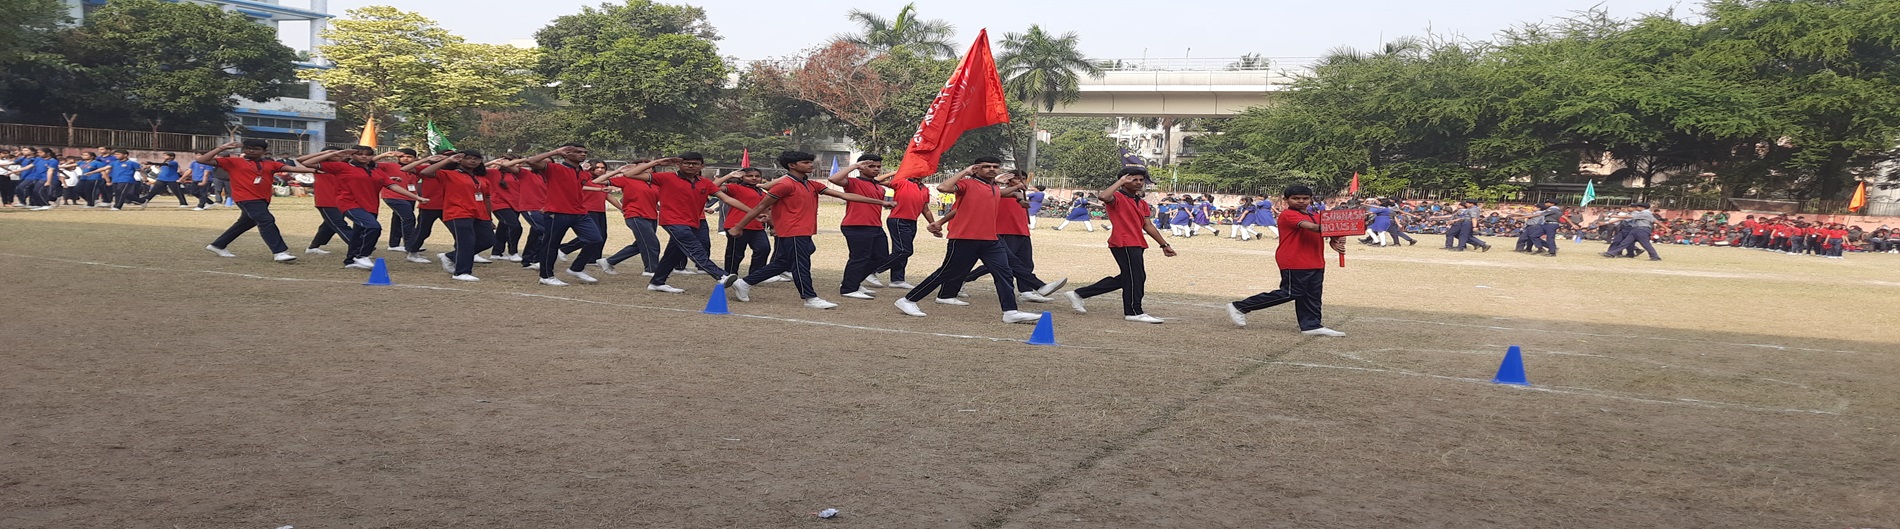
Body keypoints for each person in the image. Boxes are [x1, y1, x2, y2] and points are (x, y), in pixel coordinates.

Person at [728, 151, 891, 309]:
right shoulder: (784, 185)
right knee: (801, 264)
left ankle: (744, 283)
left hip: (804, 230)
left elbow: (844, 196)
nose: (810, 165)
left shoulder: (812, 184)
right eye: (805, 163)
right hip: (792, 230)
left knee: (783, 262)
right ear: (792, 165)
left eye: (810, 162)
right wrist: (739, 226)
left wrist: (880, 202)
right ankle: (810, 297)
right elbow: (761, 206)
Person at [891, 157, 1043, 324]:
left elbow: (1002, 193)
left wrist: (1017, 191)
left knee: (1004, 273)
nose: (991, 169)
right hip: (964, 238)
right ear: (976, 169)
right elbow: (943, 187)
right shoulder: (967, 184)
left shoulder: (992, 187)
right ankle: (908, 300)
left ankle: (1010, 311)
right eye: (986, 167)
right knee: (946, 273)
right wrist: (965, 171)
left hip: (990, 240)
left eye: (995, 166)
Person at [1223, 185, 1347, 337]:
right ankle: (1240, 307)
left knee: (1312, 294)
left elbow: (1324, 229)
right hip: (1294, 259)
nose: (1301, 201)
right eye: (1296, 198)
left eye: (1305, 198)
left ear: (1310, 199)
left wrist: (1334, 238)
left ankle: (1311, 325)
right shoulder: (1288, 215)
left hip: (1315, 260)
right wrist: (1340, 228)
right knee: (1291, 292)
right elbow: (1313, 228)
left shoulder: (1315, 214)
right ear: (1286, 200)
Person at [616, 153, 751, 292]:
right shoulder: (666, 178)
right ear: (678, 164)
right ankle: (721, 275)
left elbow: (727, 199)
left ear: (701, 166)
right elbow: (629, 175)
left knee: (673, 253)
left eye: (695, 163)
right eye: (686, 163)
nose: (690, 166)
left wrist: (753, 212)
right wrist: (657, 162)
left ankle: (657, 282)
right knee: (694, 249)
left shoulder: (705, 183)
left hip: (692, 222)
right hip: (672, 221)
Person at [1061, 167, 1176, 323]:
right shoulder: (1117, 197)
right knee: (1136, 277)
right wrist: (1121, 181)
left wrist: (1164, 245)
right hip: (1123, 242)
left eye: (1141, 180)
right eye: (1133, 179)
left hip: (1137, 242)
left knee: (1130, 277)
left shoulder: (1141, 203)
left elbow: (1148, 225)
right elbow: (1103, 196)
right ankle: (1134, 312)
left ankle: (1079, 294)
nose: (1138, 182)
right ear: (1124, 180)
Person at [954, 169, 1069, 304]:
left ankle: (1026, 291)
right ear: (1009, 180)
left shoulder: (1022, 194)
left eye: (1023, 179)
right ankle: (963, 278)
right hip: (1005, 231)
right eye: (1017, 179)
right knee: (1002, 262)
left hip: (1022, 231)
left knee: (1026, 263)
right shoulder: (999, 192)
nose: (1021, 182)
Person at [201, 139, 319, 262]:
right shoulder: (233, 162)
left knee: (247, 222)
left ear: (264, 151)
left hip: (262, 199)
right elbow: (202, 160)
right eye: (248, 148)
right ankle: (279, 252)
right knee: (266, 220)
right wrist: (222, 148)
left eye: (256, 149)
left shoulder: (270, 164)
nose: (251, 150)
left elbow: (291, 168)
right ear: (243, 150)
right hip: (245, 198)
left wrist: (316, 170)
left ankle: (218, 245)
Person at [520, 144, 605, 286]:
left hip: (579, 213)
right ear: (566, 154)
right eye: (578, 152)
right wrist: (555, 152)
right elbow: (532, 161)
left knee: (595, 239)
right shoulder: (555, 168)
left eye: (584, 152)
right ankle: (546, 276)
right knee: (550, 244)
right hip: (557, 212)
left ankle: (576, 268)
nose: (583, 154)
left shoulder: (583, 173)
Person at [418, 152, 496, 281]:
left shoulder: (482, 178)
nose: (472, 161)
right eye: (469, 158)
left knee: (488, 240)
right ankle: (461, 272)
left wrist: (489, 218)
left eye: (476, 159)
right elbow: (426, 173)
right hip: (458, 212)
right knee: (466, 242)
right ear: (460, 160)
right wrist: (448, 160)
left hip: (480, 214)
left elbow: (486, 199)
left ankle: (450, 256)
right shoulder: (449, 174)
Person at [829, 155, 896, 298]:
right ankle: (848, 289)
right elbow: (833, 179)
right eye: (872, 166)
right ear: (862, 167)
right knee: (859, 258)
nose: (876, 169)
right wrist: (854, 166)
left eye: (878, 166)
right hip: (856, 225)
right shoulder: (853, 182)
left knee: (881, 257)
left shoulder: (878, 187)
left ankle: (852, 282)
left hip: (875, 226)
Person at [872, 168, 939, 290]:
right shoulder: (902, 182)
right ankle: (872, 271)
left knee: (902, 252)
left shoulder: (924, 189)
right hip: (898, 220)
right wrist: (897, 172)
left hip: (912, 222)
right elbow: (876, 180)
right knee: (904, 250)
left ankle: (897, 279)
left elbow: (926, 209)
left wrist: (933, 225)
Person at [596, 161, 663, 276]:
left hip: (651, 216)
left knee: (640, 244)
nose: (645, 168)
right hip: (635, 215)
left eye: (648, 166)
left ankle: (608, 261)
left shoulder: (655, 183)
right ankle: (651, 270)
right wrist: (618, 171)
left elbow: (653, 201)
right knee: (652, 243)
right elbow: (597, 181)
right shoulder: (627, 179)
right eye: (640, 166)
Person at [709, 167, 771, 277]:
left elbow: (766, 210)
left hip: (757, 227)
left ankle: (755, 275)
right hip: (736, 225)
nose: (754, 178)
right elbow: (712, 187)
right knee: (735, 253)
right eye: (750, 176)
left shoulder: (762, 193)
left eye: (757, 176)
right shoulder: (735, 188)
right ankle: (730, 275)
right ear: (742, 177)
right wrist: (729, 176)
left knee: (764, 248)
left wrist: (772, 225)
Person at [376, 149, 424, 253]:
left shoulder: (416, 169)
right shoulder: (389, 166)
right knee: (409, 219)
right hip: (393, 196)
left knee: (398, 219)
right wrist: (384, 154)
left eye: (409, 157)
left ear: (415, 158)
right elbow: (371, 163)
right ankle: (410, 244)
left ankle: (394, 244)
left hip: (410, 197)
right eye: (402, 156)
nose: (406, 158)